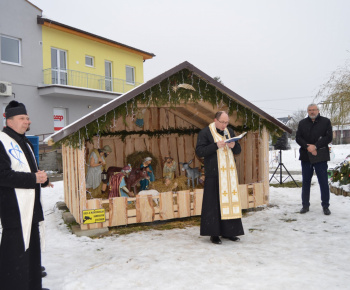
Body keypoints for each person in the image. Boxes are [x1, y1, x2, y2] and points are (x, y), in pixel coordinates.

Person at [0, 101, 50, 290]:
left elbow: (31, 170)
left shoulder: (24, 140)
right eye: (22, 118)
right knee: (16, 257)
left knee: (32, 255)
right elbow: (2, 175)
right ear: (9, 120)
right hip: (13, 212)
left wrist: (43, 179)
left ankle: (32, 285)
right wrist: (33, 179)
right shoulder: (2, 141)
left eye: (27, 118)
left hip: (31, 210)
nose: (27, 121)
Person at [195, 111, 244, 244]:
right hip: (214, 174)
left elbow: (238, 151)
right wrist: (215, 146)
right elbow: (199, 151)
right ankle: (214, 234)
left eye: (226, 122)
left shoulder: (230, 131)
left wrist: (234, 146)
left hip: (229, 175)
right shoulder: (205, 132)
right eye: (222, 122)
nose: (224, 125)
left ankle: (230, 232)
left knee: (229, 202)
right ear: (215, 120)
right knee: (213, 204)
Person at [296, 103, 333, 215]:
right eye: (310, 110)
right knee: (306, 182)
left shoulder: (326, 122)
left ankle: (325, 206)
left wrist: (315, 146)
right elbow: (298, 138)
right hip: (306, 156)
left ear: (318, 110)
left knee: (323, 182)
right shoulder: (302, 123)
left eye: (314, 110)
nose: (312, 112)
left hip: (320, 156)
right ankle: (305, 205)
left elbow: (329, 137)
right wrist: (308, 147)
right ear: (307, 111)